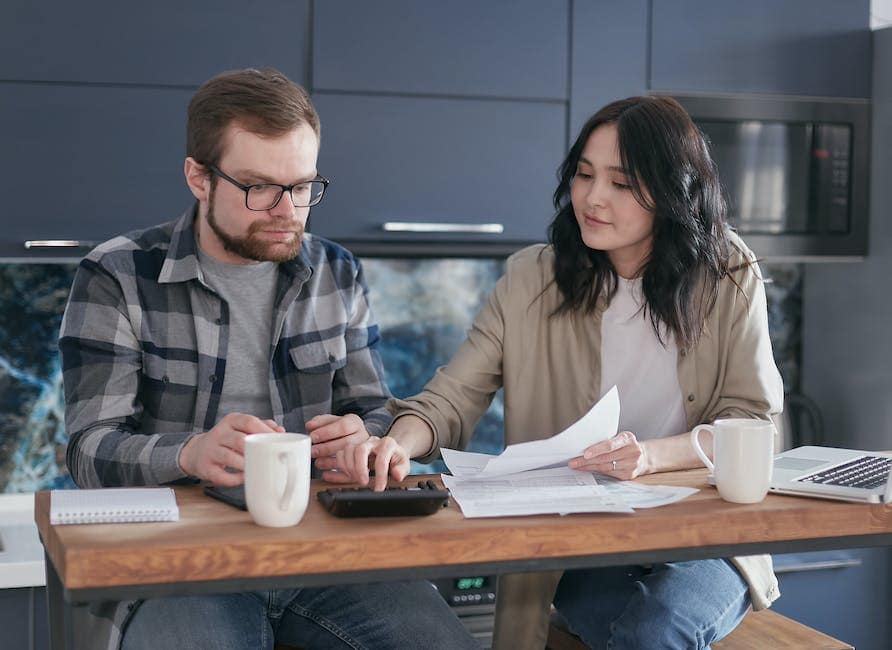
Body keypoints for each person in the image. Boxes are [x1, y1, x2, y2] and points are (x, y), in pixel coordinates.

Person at [326, 96, 785, 649]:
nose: (593, 198)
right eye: (584, 175)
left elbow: (753, 421)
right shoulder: (530, 279)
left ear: (672, 192)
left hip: (702, 532)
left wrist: (652, 456)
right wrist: (399, 441)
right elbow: (450, 398)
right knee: (630, 631)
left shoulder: (728, 273)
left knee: (658, 627)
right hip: (585, 539)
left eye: (621, 183)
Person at [59, 67, 477, 650]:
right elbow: (88, 450)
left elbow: (373, 410)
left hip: (328, 552)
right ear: (198, 177)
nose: (288, 209)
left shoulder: (336, 271)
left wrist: (364, 437)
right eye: (260, 187)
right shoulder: (118, 275)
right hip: (183, 565)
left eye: (303, 186)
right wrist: (191, 452)